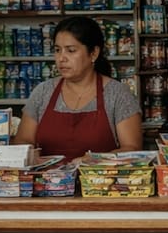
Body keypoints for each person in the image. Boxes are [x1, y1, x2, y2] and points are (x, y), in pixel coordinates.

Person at [13, 16, 142, 159]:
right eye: (57, 50)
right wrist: (30, 155)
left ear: (93, 53)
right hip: (48, 179)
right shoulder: (43, 92)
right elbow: (22, 141)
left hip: (100, 179)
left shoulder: (117, 94)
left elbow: (132, 149)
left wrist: (93, 161)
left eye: (71, 50)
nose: (61, 58)